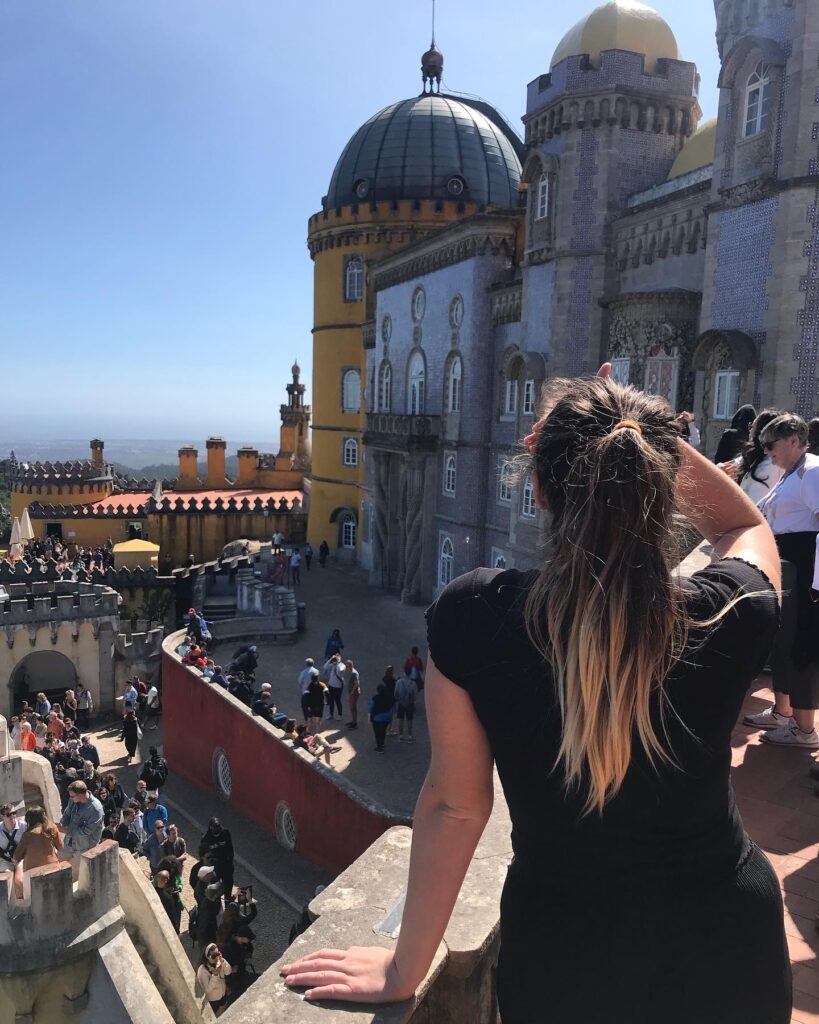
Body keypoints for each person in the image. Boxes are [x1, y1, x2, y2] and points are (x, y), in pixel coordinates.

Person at [280, 369, 791, 1024]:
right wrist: (649, 432)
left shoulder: (473, 615)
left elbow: (453, 808)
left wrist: (405, 964)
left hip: (564, 959)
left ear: (540, 492)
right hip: (727, 949)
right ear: (659, 486)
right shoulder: (730, 612)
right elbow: (742, 522)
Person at [744, 413, 819, 747]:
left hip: (803, 570)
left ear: (793, 440)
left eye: (771, 445)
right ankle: (783, 712)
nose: (767, 451)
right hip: (786, 565)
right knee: (783, 641)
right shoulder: (790, 474)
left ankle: (804, 729)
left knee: (799, 643)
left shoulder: (812, 471)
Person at [13, 806, 62, 896]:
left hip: (34, 873)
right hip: (53, 866)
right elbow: (61, 848)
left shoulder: (27, 835)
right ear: (43, 816)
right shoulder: (52, 828)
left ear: (29, 820)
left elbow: (16, 856)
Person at [58, 781, 104, 874]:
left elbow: (86, 831)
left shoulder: (96, 809)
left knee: (76, 875)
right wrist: (61, 824)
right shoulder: (73, 800)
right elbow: (67, 814)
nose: (70, 798)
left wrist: (67, 831)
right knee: (58, 867)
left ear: (80, 795)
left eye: (72, 796)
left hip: (84, 848)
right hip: (69, 843)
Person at [201, 818, 235, 906]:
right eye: (214, 828)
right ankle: (216, 906)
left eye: (218, 827)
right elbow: (203, 855)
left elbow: (230, 849)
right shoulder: (206, 839)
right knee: (215, 889)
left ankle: (228, 907)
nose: (217, 830)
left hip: (226, 865)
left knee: (228, 887)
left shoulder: (225, 833)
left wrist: (230, 862)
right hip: (214, 867)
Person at [197, 943, 232, 1016]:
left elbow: (228, 972)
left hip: (222, 995)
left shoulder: (220, 961)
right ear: (207, 957)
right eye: (214, 956)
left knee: (222, 1012)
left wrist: (223, 961)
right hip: (213, 1000)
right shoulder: (202, 970)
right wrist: (215, 975)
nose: (216, 958)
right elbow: (207, 990)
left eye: (218, 954)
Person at [367, 684, 395, 754]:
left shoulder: (375, 698)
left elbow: (370, 708)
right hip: (386, 717)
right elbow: (393, 707)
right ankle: (382, 743)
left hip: (377, 718)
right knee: (383, 730)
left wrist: (369, 718)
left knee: (377, 732)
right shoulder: (389, 697)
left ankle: (379, 746)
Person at [394, 671, 418, 743]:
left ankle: (401, 736)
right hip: (409, 704)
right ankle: (409, 736)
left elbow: (396, 693)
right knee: (409, 720)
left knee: (400, 719)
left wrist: (397, 699)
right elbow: (415, 695)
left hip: (401, 703)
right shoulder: (413, 683)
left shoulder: (399, 682)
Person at [0, 805, 27, 869]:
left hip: (23, 857)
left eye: (14, 813)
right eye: (9, 814)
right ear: (2, 816)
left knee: (20, 874)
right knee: (7, 875)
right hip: (5, 860)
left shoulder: (24, 826)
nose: (13, 816)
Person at [324, 654, 345, 721]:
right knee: (331, 701)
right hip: (331, 685)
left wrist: (338, 663)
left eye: (334, 660)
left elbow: (340, 670)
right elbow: (325, 667)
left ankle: (340, 715)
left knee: (338, 701)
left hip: (338, 686)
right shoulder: (332, 665)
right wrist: (330, 660)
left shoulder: (342, 665)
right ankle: (331, 715)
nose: (333, 662)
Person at [299, 658, 320, 723]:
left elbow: (300, 681)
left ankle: (308, 720)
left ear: (306, 664)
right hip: (314, 692)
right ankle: (314, 717)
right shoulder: (316, 671)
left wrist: (302, 687)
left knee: (305, 706)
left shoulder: (303, 672)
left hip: (305, 691)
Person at [342, 660, 361, 728]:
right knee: (352, 708)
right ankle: (353, 721)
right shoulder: (353, 672)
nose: (346, 668)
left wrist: (352, 692)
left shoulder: (354, 673)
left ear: (350, 666)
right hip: (353, 693)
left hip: (354, 693)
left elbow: (356, 684)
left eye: (347, 666)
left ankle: (354, 723)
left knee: (353, 707)